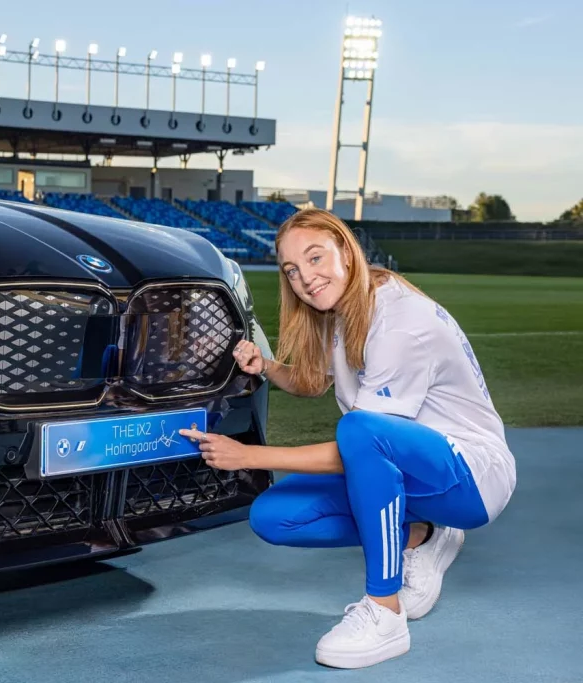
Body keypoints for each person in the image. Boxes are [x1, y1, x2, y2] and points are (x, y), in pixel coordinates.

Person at [179, 208, 516, 670]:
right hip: (414, 473)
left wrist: (248, 456)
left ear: (347, 253)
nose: (305, 279)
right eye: (292, 270)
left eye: (315, 258)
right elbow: (315, 381)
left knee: (358, 430)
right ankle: (422, 533)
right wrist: (270, 368)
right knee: (275, 516)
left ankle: (384, 611)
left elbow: (360, 446)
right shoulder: (341, 310)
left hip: (473, 478)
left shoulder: (400, 323)